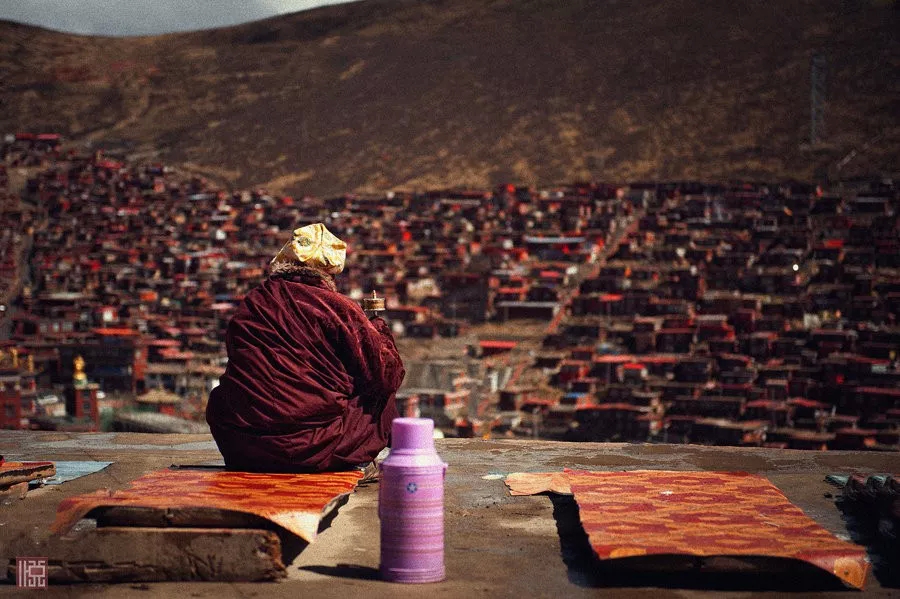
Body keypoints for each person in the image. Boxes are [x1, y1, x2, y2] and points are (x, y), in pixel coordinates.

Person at [206, 223, 404, 472]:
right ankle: (401, 457)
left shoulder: (253, 302)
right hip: (311, 449)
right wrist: (378, 327)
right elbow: (387, 376)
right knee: (380, 389)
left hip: (242, 446)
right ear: (328, 272)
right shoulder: (337, 307)